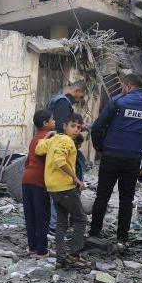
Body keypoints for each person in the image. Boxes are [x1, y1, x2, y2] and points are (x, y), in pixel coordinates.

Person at [88, 74, 142, 247]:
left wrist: (100, 148)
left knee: (102, 196)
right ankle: (122, 238)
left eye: (122, 87)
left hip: (111, 157)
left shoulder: (117, 102)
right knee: (126, 199)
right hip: (133, 161)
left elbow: (97, 127)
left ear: (127, 86)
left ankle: (94, 232)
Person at [37, 113, 90, 269]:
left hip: (53, 188)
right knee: (81, 219)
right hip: (65, 187)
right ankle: (74, 255)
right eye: (72, 126)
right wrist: (76, 178)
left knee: (61, 224)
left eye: (79, 127)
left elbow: (39, 149)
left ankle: (60, 259)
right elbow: (60, 161)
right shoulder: (67, 141)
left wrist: (47, 136)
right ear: (64, 126)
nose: (76, 130)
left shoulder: (55, 139)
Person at [23, 110, 55, 258]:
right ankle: (42, 251)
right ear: (45, 123)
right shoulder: (49, 139)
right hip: (39, 181)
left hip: (27, 179)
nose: (54, 122)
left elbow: (28, 161)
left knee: (31, 215)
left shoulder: (34, 138)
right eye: (52, 120)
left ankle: (32, 248)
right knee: (42, 216)